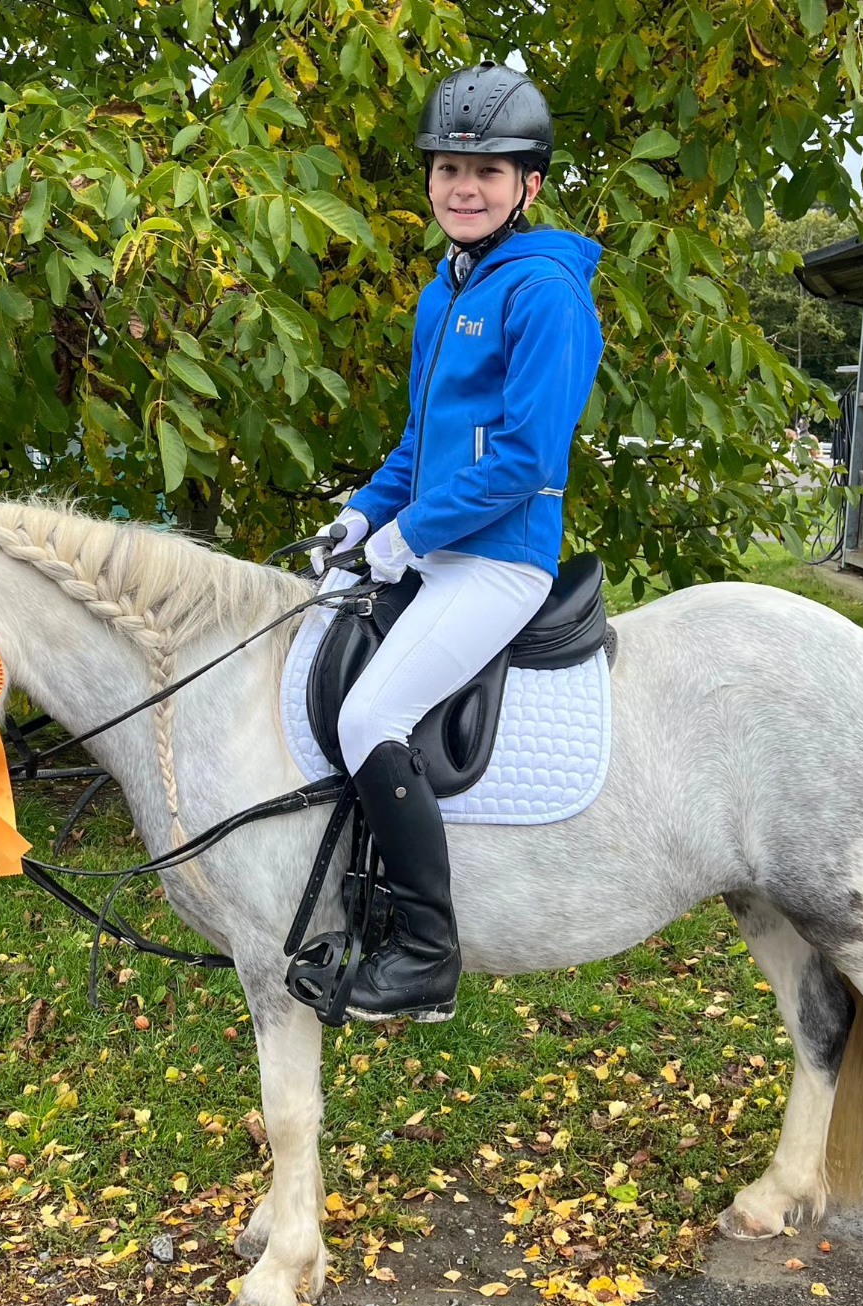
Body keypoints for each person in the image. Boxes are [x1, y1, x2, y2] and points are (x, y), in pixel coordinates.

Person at [304, 61, 605, 1024]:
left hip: (502, 561)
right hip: (433, 549)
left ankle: (430, 955)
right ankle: (358, 896)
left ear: (531, 185)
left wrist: (408, 535)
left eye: (487, 173)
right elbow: (420, 447)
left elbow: (522, 458)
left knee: (364, 720)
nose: (462, 189)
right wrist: (361, 515)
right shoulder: (446, 290)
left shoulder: (544, 292)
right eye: (446, 170)